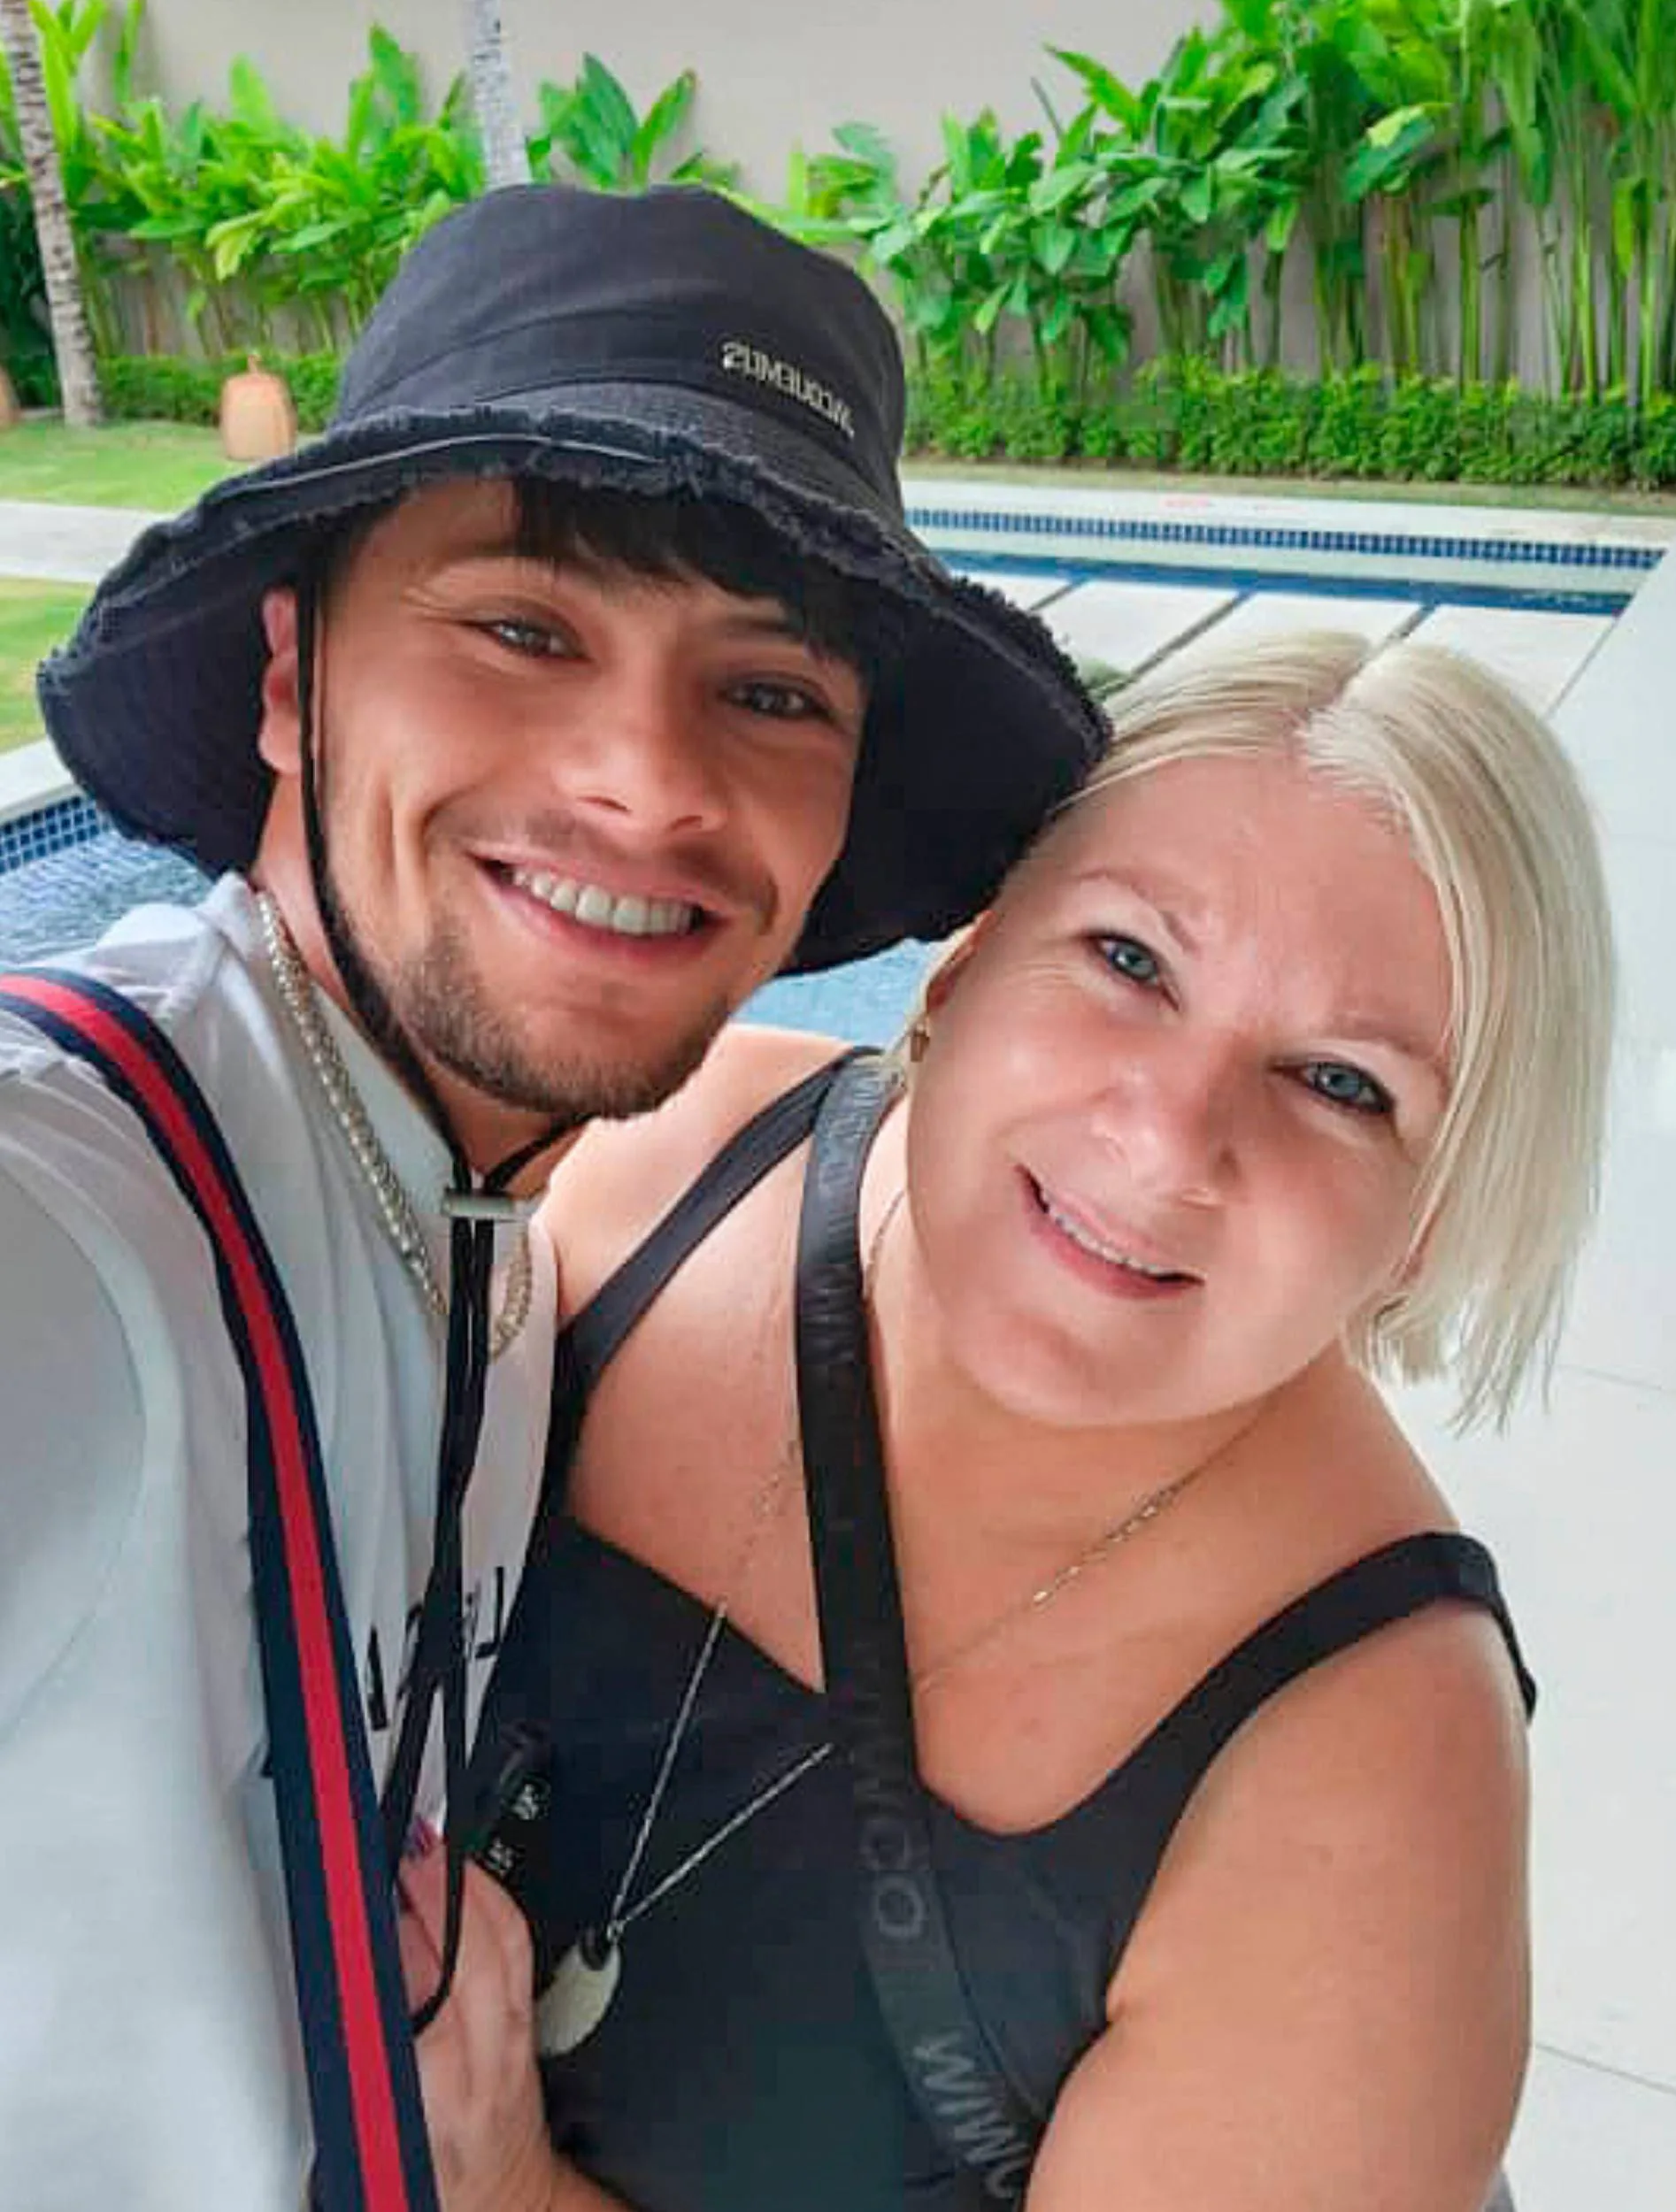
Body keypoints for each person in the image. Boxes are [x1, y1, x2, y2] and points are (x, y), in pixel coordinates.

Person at [0, 184, 1103, 2211]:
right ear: (286, 673)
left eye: (769, 691)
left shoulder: (494, 1231)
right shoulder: (69, 1221)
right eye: (523, 627)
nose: (650, 784)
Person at [404, 632, 1616, 2212]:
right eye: (1129, 961)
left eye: (1338, 1082)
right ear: (964, 960)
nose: (1170, 1139)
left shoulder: (1374, 1774)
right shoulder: (646, 1168)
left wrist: (499, 2183)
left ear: (1433, 1227)